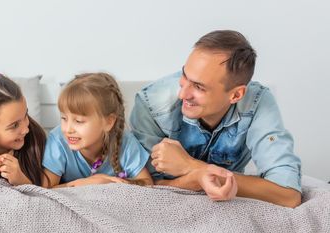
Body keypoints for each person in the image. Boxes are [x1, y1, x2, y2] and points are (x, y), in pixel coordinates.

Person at [130, 30, 302, 207]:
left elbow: (288, 195)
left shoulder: (258, 103)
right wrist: (200, 176)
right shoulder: (150, 104)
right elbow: (145, 186)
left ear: (236, 95)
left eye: (198, 87)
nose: (183, 94)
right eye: (184, 75)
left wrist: (192, 166)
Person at [43, 72, 153, 187]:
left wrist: (109, 183)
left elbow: (147, 182)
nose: (68, 129)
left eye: (79, 121)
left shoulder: (125, 142)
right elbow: (46, 189)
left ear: (108, 122)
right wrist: (84, 183)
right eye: (64, 118)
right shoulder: (58, 140)